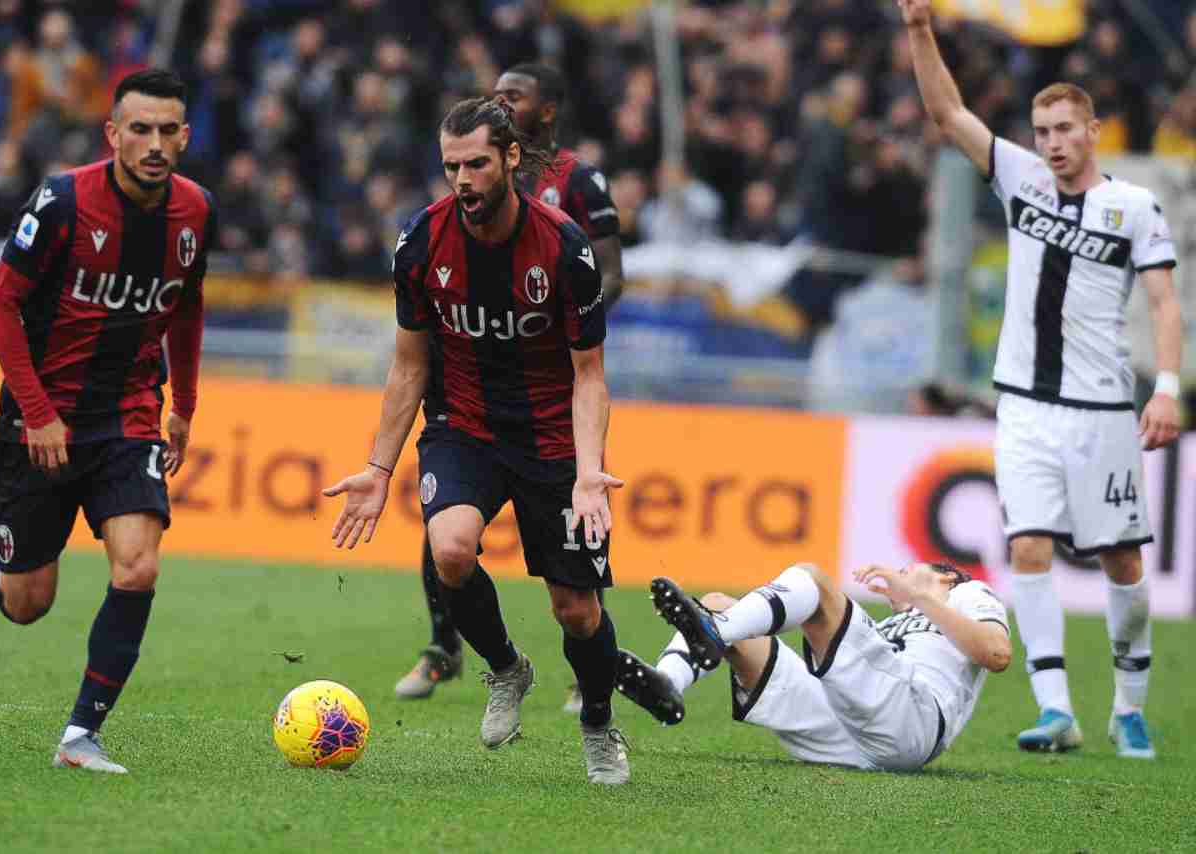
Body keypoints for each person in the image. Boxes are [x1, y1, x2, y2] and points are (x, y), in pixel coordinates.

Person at [899, 0, 1181, 758]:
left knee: (1122, 560)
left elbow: (1162, 301)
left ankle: (1129, 703)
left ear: (1092, 133)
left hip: (1100, 411)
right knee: (1028, 547)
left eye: (1065, 130)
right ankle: (1056, 709)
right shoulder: (1017, 178)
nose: (1052, 143)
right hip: (1023, 405)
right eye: (1043, 130)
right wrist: (921, 31)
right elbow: (946, 110)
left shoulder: (1133, 208)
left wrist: (1168, 388)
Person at [323, 97, 629, 784]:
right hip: (462, 426)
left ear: (511, 158)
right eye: (450, 166)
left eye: (476, 164)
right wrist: (378, 465)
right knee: (452, 549)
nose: (462, 180)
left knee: (576, 610)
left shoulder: (564, 248)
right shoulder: (421, 242)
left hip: (551, 437)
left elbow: (589, 377)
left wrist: (587, 472)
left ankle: (599, 722)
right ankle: (505, 669)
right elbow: (408, 365)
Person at [0, 69, 213, 774]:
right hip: (42, 419)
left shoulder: (195, 211)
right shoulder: (62, 202)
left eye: (167, 131)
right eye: (140, 129)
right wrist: (37, 413)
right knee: (28, 603)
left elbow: (185, 308)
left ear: (184, 136)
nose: (154, 144)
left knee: (138, 566)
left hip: (128, 415)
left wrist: (183, 403)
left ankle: (79, 737)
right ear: (114, 134)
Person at [394, 62, 623, 717]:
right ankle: (451, 649)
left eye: (514, 97)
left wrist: (559, 325)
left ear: (540, 116)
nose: (501, 101)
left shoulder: (575, 186)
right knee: (450, 540)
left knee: (574, 602)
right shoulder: (441, 216)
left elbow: (610, 275)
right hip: (468, 396)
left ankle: (593, 697)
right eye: (495, 94)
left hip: (555, 391)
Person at [615, 563, 1011, 771]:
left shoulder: (968, 593)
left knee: (815, 582)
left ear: (945, 575)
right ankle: (668, 683)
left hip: (912, 719)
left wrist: (921, 599)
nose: (898, 577)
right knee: (719, 602)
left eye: (907, 569)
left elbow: (996, 654)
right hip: (848, 731)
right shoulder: (890, 626)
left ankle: (713, 634)